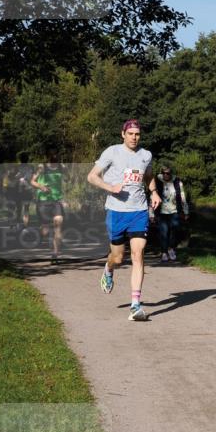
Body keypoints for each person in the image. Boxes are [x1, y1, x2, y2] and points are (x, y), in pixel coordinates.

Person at [87, 120, 161, 321]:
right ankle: (108, 269)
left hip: (138, 211)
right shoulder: (112, 152)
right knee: (118, 258)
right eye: (130, 134)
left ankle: (135, 305)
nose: (134, 137)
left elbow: (148, 176)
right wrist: (110, 188)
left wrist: (153, 192)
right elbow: (92, 177)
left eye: (137, 134)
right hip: (117, 212)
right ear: (123, 134)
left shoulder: (146, 155)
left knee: (138, 254)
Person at [31, 155, 66, 264]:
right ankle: (42, 235)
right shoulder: (41, 167)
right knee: (45, 231)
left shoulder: (62, 167)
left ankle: (55, 255)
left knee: (58, 226)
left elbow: (67, 180)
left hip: (56, 201)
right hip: (43, 201)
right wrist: (41, 187)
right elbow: (32, 181)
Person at [154, 165, 189, 262]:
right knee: (163, 233)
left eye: (168, 173)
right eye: (164, 173)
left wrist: (186, 211)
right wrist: (151, 214)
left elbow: (183, 197)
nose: (166, 175)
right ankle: (164, 252)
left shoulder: (177, 182)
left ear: (171, 173)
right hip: (161, 212)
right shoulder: (157, 182)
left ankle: (171, 249)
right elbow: (152, 198)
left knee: (175, 231)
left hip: (174, 211)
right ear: (162, 173)